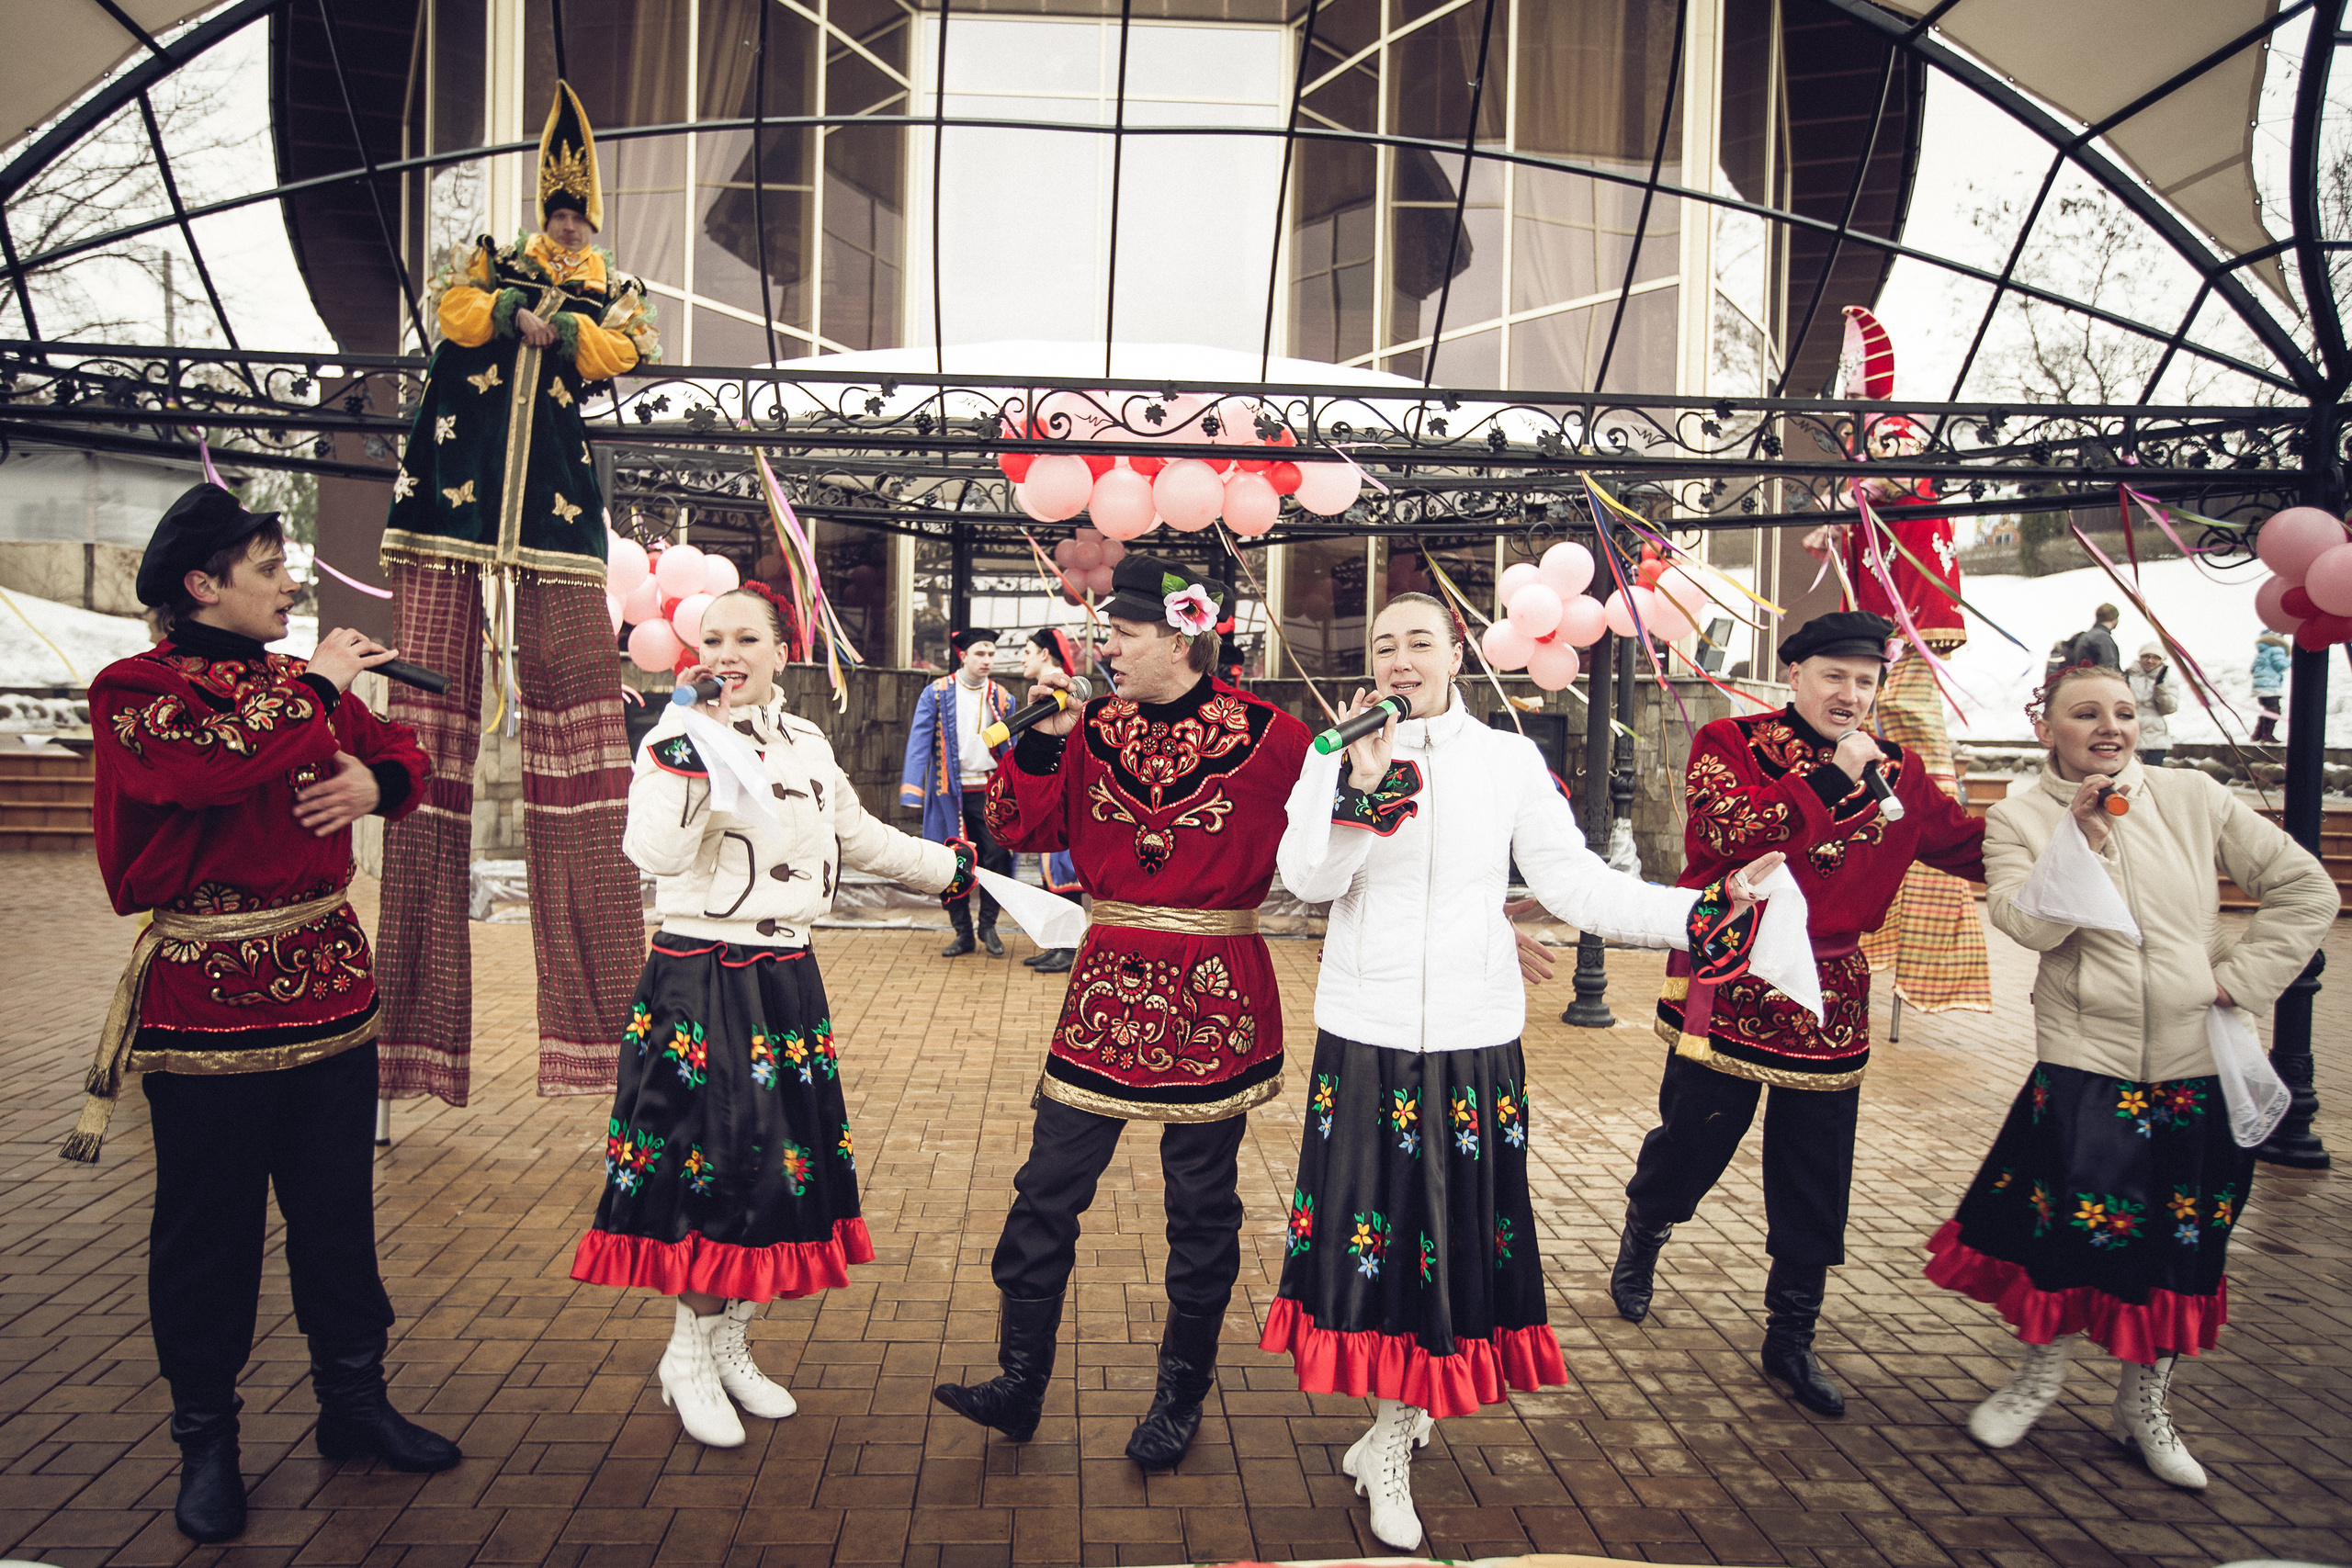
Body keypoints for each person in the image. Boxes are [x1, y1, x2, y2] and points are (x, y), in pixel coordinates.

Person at [1262, 592, 1787, 1550]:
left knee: (1446, 1233)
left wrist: (1698, 908)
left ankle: (1395, 1429)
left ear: (1456, 654)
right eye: (1384, 645)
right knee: (1380, 1237)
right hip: (1367, 1035)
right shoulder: (1334, 753)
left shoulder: (1506, 760)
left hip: (1473, 1039)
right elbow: (1308, 881)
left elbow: (1575, 881)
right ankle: (1394, 1425)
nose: (1400, 660)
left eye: (1419, 642)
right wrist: (1358, 791)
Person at [72, 483, 459, 1544]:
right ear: (202, 585)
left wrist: (376, 785)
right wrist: (320, 689)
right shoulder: (134, 689)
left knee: (337, 1218)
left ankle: (354, 1403)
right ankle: (207, 1442)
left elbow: (404, 750)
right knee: (209, 1235)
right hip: (205, 1007)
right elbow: (202, 771)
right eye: (270, 567)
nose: (292, 584)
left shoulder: (298, 686)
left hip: (332, 994)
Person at [570, 585, 976, 1448]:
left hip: (786, 979)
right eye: (712, 639)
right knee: (714, 1172)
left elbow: (857, 834)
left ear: (780, 652)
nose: (726, 654)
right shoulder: (676, 737)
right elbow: (653, 851)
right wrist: (684, 749)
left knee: (780, 1171)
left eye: (745, 638)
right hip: (703, 978)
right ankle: (687, 1354)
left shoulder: (806, 740)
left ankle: (728, 1344)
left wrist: (947, 870)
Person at [932, 555, 1312, 1469]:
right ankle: (1019, 1384)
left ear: (1180, 640)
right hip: (1105, 987)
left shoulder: (1277, 738)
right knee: (1045, 1188)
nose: (1106, 650)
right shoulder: (1095, 726)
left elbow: (1351, 841)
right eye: (1106, 634)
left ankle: (1180, 1395)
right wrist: (1038, 743)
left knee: (1200, 1205)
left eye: (1123, 635)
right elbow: (1023, 830)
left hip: (1214, 990)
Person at [1927, 663, 2334, 1487]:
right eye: (2086, 713)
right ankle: (2038, 1377)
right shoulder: (2019, 817)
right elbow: (2028, 928)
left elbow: (2305, 888)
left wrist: (2242, 979)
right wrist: (2078, 840)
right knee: (2066, 1232)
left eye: (2123, 711)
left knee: (2182, 1245)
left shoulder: (2193, 796)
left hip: (2196, 1058)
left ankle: (2144, 1403)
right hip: (2086, 1059)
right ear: (2047, 729)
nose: (2109, 726)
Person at [1613, 610, 1987, 1416]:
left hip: (1832, 992)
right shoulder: (1731, 743)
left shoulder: (1900, 773)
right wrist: (1830, 780)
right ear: (1795, 676)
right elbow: (1726, 834)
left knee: (1816, 1166)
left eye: (1865, 680)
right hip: (1736, 974)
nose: (1850, 695)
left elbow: (1969, 845)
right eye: (1834, 676)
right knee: (1694, 1139)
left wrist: (2068, 827)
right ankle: (1647, 1224)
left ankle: (1791, 1334)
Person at [374, 80, 661, 1107]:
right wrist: (509, 311)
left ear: (595, 217)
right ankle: (409, 1042)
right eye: (559, 211)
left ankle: (593, 1038)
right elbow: (452, 316)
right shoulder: (494, 261)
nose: (568, 226)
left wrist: (562, 331)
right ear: (544, 207)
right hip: (458, 485)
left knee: (578, 730)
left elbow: (629, 348)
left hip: (550, 502)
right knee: (425, 714)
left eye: (580, 214)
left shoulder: (610, 284)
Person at [1800, 342, 1990, 1022]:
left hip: (1907, 623)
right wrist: (1841, 520)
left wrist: (1861, 494)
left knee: (1907, 755)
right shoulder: (1867, 445)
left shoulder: (1890, 431)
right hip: (1889, 622)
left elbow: (1901, 481)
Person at [899, 628, 1016, 956]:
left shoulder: (1003, 697)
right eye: (980, 653)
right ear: (963, 656)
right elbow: (919, 740)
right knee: (950, 861)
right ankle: (962, 932)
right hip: (949, 793)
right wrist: (912, 790)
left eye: (991, 654)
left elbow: (1013, 748)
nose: (987, 660)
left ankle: (988, 925)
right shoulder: (936, 693)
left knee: (997, 858)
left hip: (992, 791)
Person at [1016, 626, 1085, 975]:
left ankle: (1069, 947)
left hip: (1062, 794)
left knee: (1063, 869)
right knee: (1051, 871)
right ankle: (1058, 944)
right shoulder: (1046, 694)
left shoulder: (1064, 693)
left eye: (1028, 651)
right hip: (1048, 792)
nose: (1022, 659)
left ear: (1045, 654)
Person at [2128, 643, 2179, 766]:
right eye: (2146, 656)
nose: (2150, 661)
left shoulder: (2168, 680)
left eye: (2155, 657)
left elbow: (2169, 708)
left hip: (2155, 742)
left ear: (2161, 660)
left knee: (2153, 775)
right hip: (2130, 738)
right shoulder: (2126, 676)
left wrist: (2160, 687)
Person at [2251, 630, 2289, 743]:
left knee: (2269, 710)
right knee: (2274, 711)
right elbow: (2280, 665)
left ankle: (2258, 734)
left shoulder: (2262, 652)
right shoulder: (2276, 649)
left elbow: (2253, 669)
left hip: (2259, 687)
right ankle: (2267, 735)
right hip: (2269, 687)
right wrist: (2293, 659)